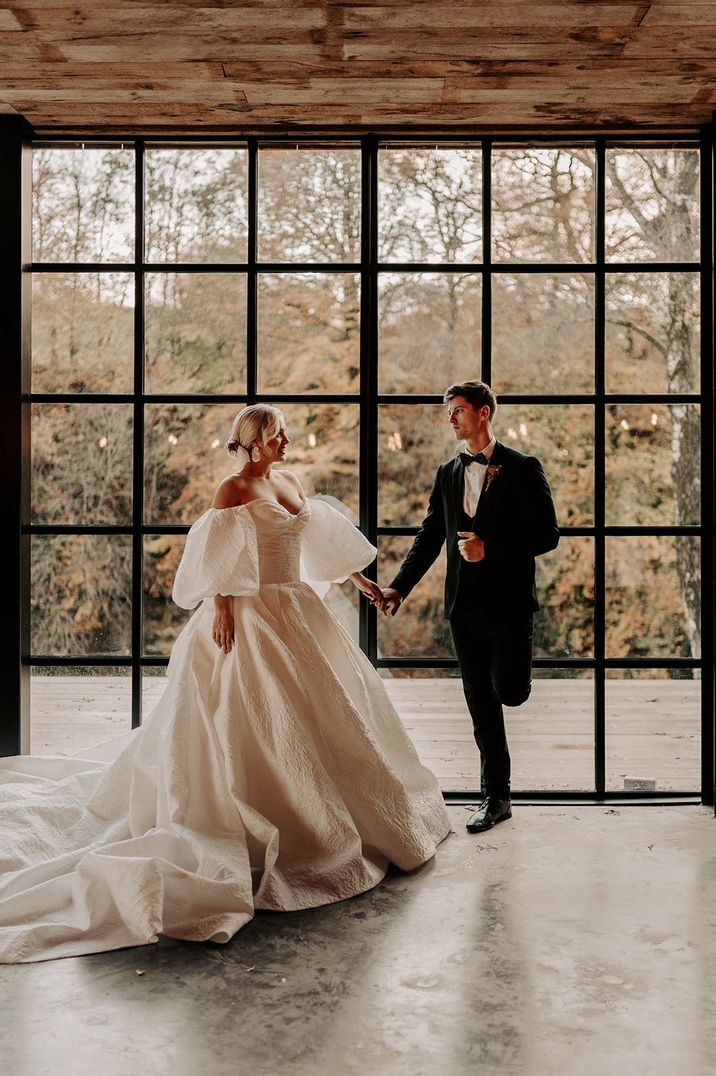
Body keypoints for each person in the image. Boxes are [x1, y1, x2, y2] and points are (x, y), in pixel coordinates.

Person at [0, 404, 450, 964]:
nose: (287, 441)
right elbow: (217, 555)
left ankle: (344, 812)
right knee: (252, 716)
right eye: (278, 435)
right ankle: (267, 814)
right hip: (252, 611)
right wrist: (222, 609)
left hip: (299, 609)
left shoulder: (289, 480)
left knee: (334, 711)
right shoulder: (232, 489)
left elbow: (316, 542)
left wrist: (364, 583)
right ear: (255, 442)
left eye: (285, 434)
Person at [378, 381, 559, 833]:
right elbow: (430, 537)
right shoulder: (448, 472)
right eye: (448, 411)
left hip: (511, 606)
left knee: (511, 692)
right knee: (481, 706)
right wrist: (399, 588)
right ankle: (496, 797)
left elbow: (548, 535)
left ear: (483, 413)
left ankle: (511, 696)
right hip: (464, 609)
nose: (450, 418)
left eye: (458, 410)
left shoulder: (522, 467)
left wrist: (490, 547)